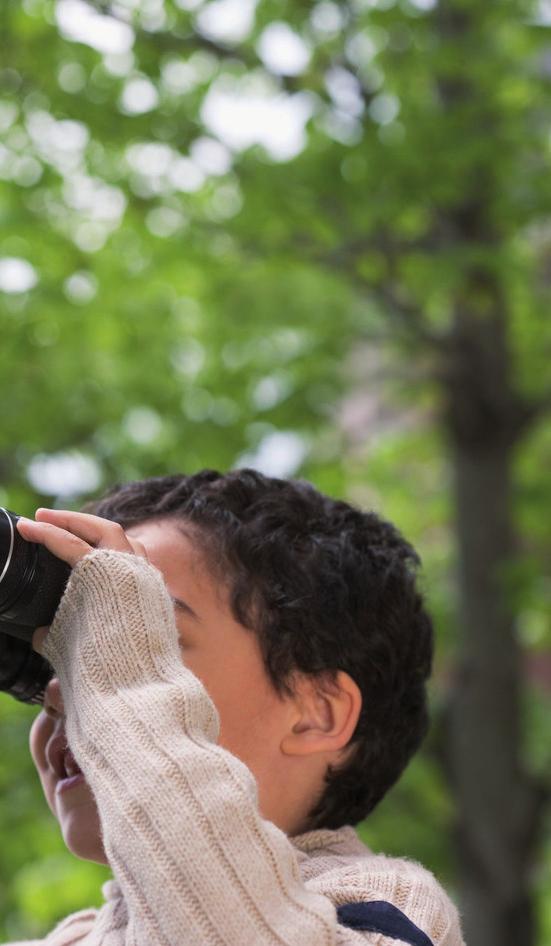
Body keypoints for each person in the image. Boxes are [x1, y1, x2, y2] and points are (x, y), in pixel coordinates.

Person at [8, 469, 465, 946]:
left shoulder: (381, 905)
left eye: (146, 638)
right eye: (58, 660)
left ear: (318, 712)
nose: (64, 690)